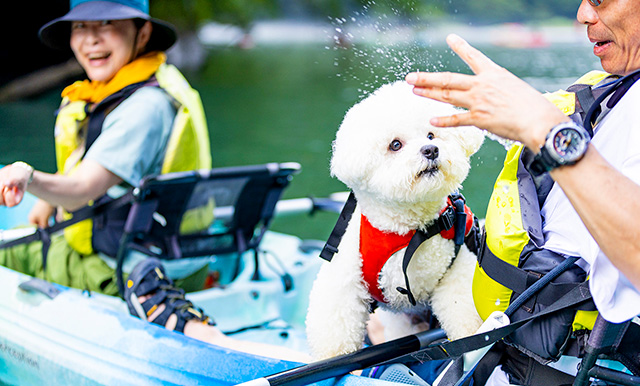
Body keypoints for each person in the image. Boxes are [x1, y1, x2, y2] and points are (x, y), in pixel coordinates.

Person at [0, 0, 309, 363]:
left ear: (142, 32)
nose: (90, 40)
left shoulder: (143, 108)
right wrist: (47, 197)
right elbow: (86, 170)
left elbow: (82, 191)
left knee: (16, 249)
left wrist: (28, 175)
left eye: (106, 24)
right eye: (80, 27)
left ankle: (170, 314)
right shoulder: (141, 87)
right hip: (181, 259)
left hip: (123, 269)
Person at [405, 0, 640, 384]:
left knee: (395, 367)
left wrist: (546, 131)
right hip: (515, 335)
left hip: (561, 365)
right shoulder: (621, 85)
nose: (583, 14)